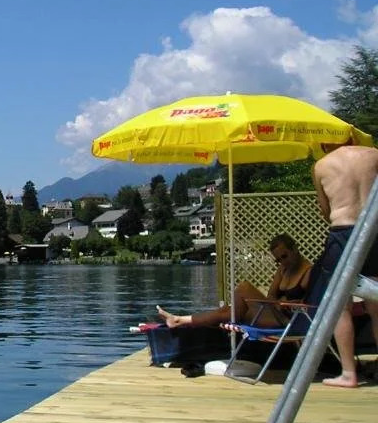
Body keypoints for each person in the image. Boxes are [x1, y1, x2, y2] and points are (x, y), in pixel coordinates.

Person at [312, 144, 378, 388]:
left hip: (342, 230)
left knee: (340, 306)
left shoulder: (321, 165)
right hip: (374, 228)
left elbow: (325, 209)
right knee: (376, 303)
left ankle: (349, 373)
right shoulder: (373, 154)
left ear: (324, 144)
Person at [156, 234, 312, 329]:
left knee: (244, 288)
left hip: (288, 321)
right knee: (227, 311)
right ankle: (179, 320)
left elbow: (310, 306)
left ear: (294, 249)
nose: (282, 261)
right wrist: (278, 302)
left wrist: (287, 303)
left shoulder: (308, 271)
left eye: (284, 256)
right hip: (273, 313)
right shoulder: (283, 269)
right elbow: (271, 296)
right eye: (278, 260)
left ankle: (179, 320)